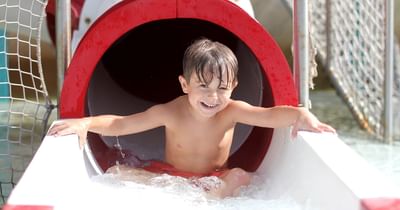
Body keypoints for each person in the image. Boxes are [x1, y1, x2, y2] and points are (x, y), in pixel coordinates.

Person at [48, 38, 335, 198]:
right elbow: (122, 124)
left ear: (233, 87)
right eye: (203, 87)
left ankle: (210, 200)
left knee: (238, 176)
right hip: (172, 176)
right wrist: (85, 122)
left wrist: (300, 114)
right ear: (185, 85)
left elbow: (270, 115)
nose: (213, 97)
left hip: (214, 178)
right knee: (117, 173)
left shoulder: (231, 110)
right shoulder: (170, 112)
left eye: (222, 89)